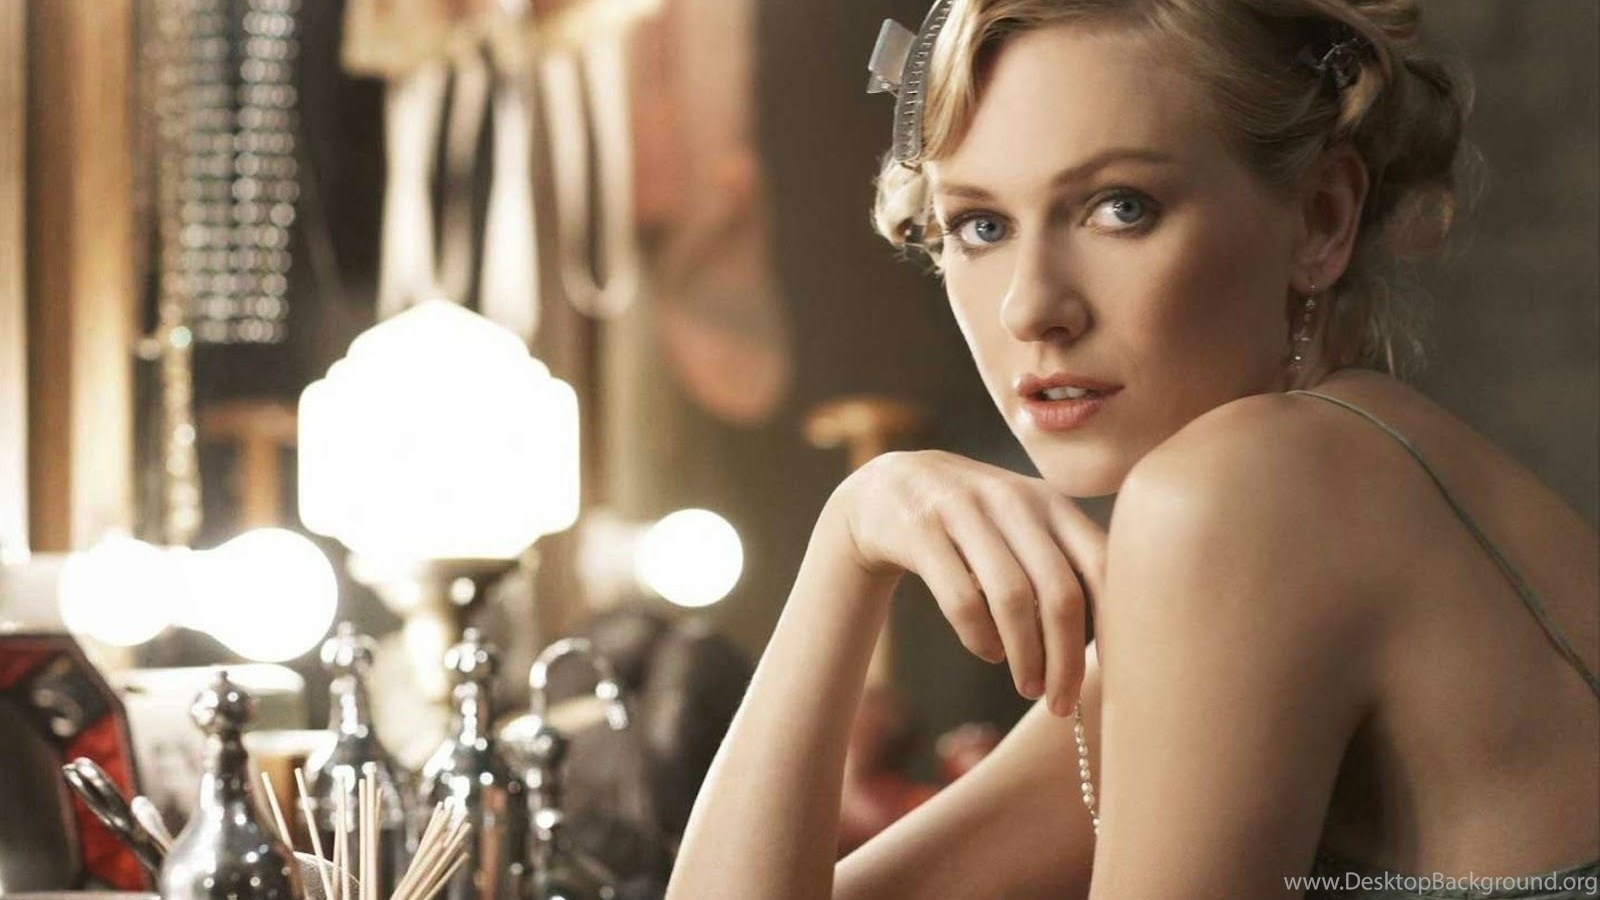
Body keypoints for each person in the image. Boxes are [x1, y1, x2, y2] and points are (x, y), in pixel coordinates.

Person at [665, 0, 1600, 897]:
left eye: (1120, 208)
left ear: (1321, 218)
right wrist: (852, 535)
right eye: (981, 226)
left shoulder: (1241, 497)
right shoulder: (1348, 472)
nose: (1031, 307)